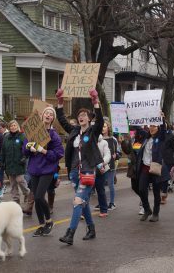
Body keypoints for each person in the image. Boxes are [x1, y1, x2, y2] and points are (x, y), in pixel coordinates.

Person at [56, 88, 103, 245]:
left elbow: (101, 120)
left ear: (89, 119)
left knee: (77, 201)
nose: (81, 117)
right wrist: (60, 103)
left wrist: (95, 101)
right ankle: (91, 229)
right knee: (82, 203)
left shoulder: (93, 131)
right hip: (75, 172)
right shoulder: (74, 131)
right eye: (79, 116)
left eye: (84, 115)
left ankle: (70, 234)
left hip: (88, 172)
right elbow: (62, 119)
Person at [23, 106, 64, 237]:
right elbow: (24, 151)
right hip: (34, 169)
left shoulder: (54, 135)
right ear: (42, 116)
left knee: (40, 196)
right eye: (46, 112)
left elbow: (58, 154)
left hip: (47, 169)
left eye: (51, 114)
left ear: (53, 119)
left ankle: (49, 221)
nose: (48, 115)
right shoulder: (33, 132)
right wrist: (29, 148)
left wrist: (43, 150)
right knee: (36, 197)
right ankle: (41, 225)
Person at [135, 114, 168, 222]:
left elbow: (163, 129)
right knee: (141, 189)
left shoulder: (160, 138)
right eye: (151, 126)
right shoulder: (146, 137)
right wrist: (131, 114)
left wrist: (162, 118)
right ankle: (147, 209)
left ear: (158, 127)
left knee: (156, 192)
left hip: (155, 167)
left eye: (154, 126)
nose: (152, 128)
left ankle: (155, 213)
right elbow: (138, 128)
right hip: (144, 167)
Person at [1, 120, 30, 205]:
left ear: (17, 126)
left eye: (14, 125)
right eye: (11, 126)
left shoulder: (23, 136)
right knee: (13, 184)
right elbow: (3, 150)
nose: (13, 127)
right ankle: (16, 201)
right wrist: (2, 161)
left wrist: (24, 158)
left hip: (19, 163)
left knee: (20, 180)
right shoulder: (6, 137)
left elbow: (26, 149)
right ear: (9, 127)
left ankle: (27, 193)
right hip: (9, 164)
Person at [121, 128, 147, 215]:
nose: (137, 134)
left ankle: (143, 205)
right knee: (134, 187)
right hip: (134, 168)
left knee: (142, 188)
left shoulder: (145, 140)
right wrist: (124, 142)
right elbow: (127, 151)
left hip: (143, 168)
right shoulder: (133, 141)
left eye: (138, 133)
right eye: (136, 133)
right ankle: (144, 199)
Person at [160, 122, 174, 204]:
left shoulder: (170, 135)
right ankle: (160, 193)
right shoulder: (155, 135)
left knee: (164, 179)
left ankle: (164, 195)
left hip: (167, 160)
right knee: (158, 179)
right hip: (157, 160)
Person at [101, 120, 118, 210]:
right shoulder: (98, 138)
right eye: (102, 126)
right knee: (100, 185)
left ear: (108, 128)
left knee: (110, 185)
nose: (103, 128)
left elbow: (118, 152)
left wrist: (116, 155)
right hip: (100, 165)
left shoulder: (113, 139)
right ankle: (102, 202)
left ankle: (112, 203)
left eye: (104, 126)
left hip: (110, 166)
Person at [94, 134, 111, 217]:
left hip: (101, 170)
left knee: (100, 190)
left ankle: (104, 210)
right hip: (88, 169)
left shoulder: (103, 142)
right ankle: (83, 212)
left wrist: (101, 163)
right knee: (85, 192)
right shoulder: (86, 140)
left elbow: (107, 155)